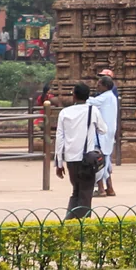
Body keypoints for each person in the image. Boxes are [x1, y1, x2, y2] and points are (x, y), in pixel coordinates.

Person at [53, 82, 105, 219]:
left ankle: (71, 221)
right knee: (86, 193)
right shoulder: (92, 111)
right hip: (87, 158)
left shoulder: (64, 112)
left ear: (74, 96)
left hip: (71, 159)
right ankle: (79, 224)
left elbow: (59, 139)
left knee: (76, 191)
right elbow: (103, 129)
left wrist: (58, 163)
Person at [90, 71, 120, 197]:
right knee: (106, 161)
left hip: (102, 134)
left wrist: (80, 95)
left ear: (105, 86)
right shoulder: (111, 97)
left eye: (99, 84)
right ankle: (110, 188)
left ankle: (101, 189)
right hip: (108, 134)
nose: (97, 87)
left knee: (98, 160)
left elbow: (90, 102)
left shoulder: (105, 97)